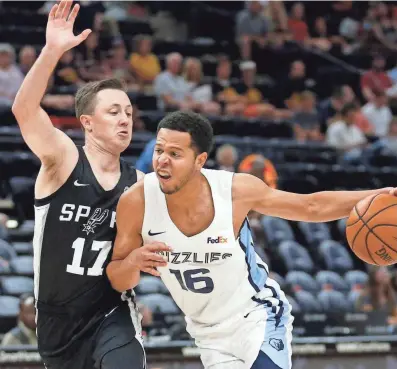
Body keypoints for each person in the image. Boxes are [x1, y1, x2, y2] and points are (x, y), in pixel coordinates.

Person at [107, 110, 397, 369]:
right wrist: (133, 262)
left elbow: (311, 206)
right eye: (159, 150)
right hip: (207, 332)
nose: (162, 161)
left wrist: (377, 195)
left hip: (256, 314)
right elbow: (119, 279)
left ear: (200, 161)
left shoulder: (234, 191)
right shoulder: (137, 201)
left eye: (175, 154)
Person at [12, 1, 147, 368]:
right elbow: (24, 112)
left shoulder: (141, 185)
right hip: (57, 321)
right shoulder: (65, 160)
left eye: (129, 113)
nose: (125, 120)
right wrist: (52, 51)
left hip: (111, 313)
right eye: (114, 112)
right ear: (87, 122)